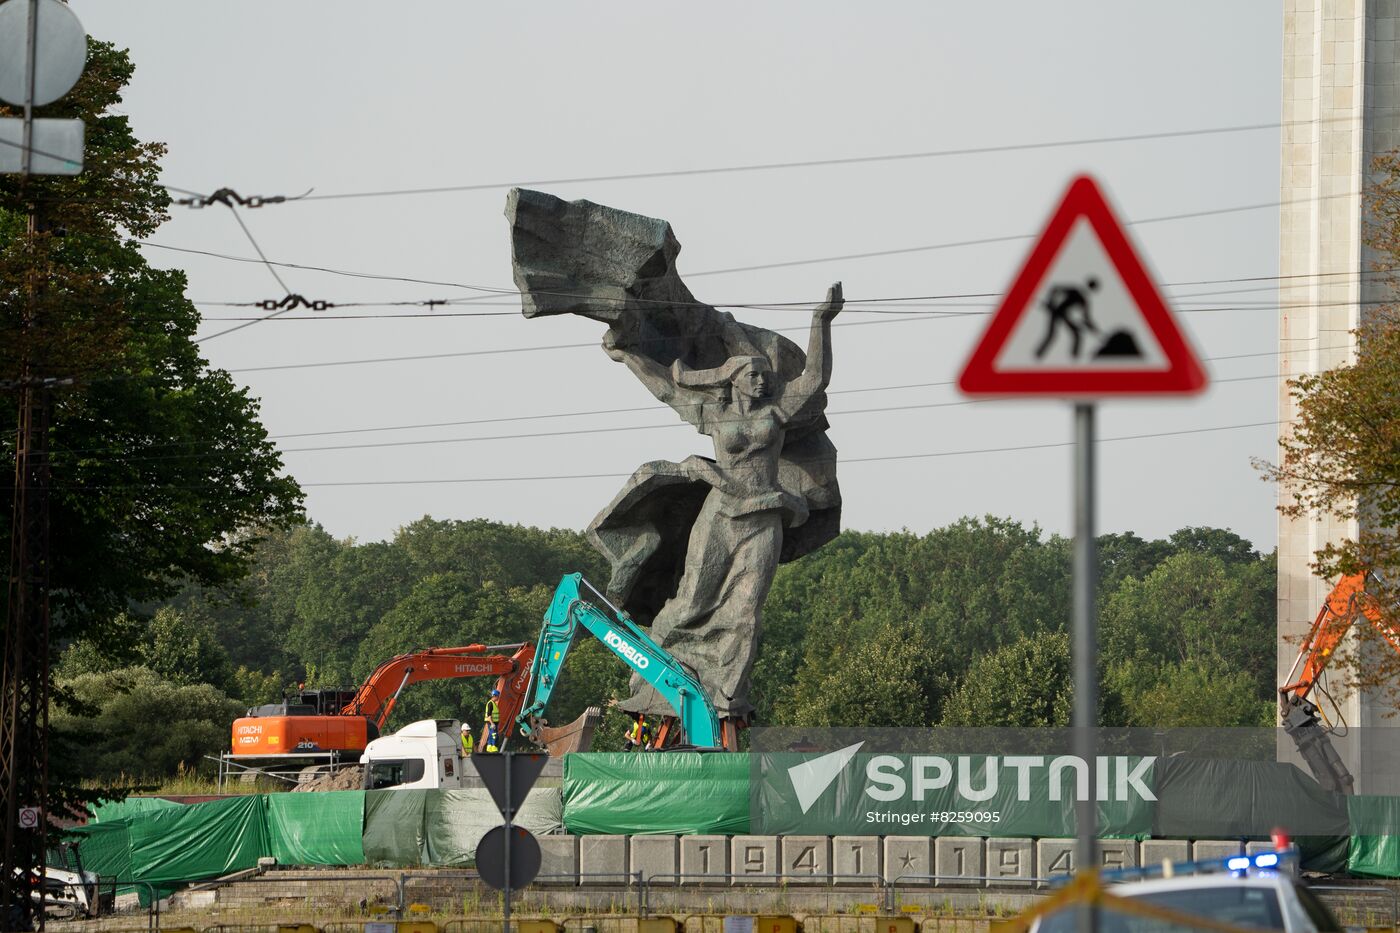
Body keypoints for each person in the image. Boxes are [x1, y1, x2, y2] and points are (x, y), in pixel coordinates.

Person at [599, 284, 844, 721]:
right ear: (733, 379)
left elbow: (815, 378)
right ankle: (655, 672)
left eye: (764, 374)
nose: (763, 378)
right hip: (719, 518)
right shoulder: (714, 414)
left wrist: (820, 321)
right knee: (693, 600)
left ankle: (726, 696)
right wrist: (627, 356)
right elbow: (664, 387)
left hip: (764, 518)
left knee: (746, 611)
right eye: (753, 373)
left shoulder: (777, 413)